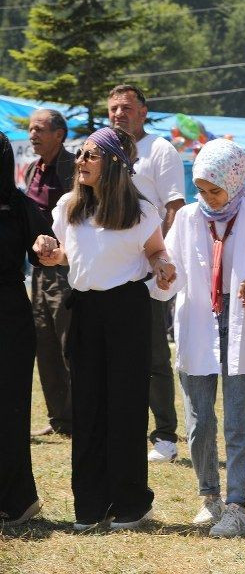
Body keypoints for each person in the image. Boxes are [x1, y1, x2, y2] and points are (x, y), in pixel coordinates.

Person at [34, 126, 175, 531]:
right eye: (80, 153)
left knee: (127, 406)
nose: (80, 160)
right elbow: (63, 254)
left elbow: (156, 252)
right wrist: (47, 251)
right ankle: (90, 506)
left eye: (90, 155)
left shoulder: (142, 210)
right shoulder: (68, 205)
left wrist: (163, 267)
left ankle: (130, 504)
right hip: (85, 310)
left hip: (127, 310)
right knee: (88, 406)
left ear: (114, 163)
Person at [157, 138, 245, 538]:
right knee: (198, 422)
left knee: (237, 423)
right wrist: (165, 274)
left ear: (234, 182)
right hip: (198, 322)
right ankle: (209, 497)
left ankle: (237, 504)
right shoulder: (189, 218)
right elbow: (170, 266)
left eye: (216, 190)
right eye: (202, 190)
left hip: (238, 321)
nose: (208, 198)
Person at [107, 83, 185, 464]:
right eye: (113, 109)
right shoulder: (104, 147)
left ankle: (165, 436)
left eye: (126, 108)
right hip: (111, 269)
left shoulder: (159, 149)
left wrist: (161, 258)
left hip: (148, 269)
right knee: (115, 355)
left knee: (154, 356)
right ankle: (123, 430)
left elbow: (174, 206)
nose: (119, 114)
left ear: (143, 111)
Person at [0, 132, 51, 525]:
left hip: (10, 318)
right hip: (12, 311)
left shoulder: (18, 206)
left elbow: (53, 241)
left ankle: (18, 500)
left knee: (11, 411)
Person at [24, 109, 75, 438]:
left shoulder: (73, 168)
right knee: (44, 343)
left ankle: (80, 415)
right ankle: (58, 419)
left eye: (39, 129)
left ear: (59, 134)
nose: (32, 135)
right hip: (38, 271)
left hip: (66, 267)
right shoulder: (31, 170)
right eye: (30, 129)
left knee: (68, 343)